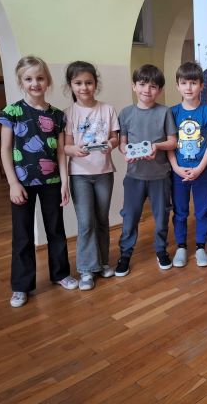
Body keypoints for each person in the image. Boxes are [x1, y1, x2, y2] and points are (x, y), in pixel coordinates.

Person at [0, 55, 78, 308]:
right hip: (22, 184)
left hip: (51, 181)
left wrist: (64, 182)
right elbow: (5, 149)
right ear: (21, 82)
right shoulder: (12, 112)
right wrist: (13, 183)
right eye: (29, 79)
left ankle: (60, 274)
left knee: (56, 230)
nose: (35, 83)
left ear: (48, 81)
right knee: (22, 235)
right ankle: (21, 286)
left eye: (40, 78)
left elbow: (61, 152)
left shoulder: (57, 115)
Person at [114, 64, 177, 276]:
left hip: (160, 176)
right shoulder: (126, 113)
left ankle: (161, 250)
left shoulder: (165, 112)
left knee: (161, 217)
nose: (147, 90)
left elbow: (172, 142)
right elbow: (122, 143)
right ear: (134, 86)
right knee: (130, 217)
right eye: (142, 85)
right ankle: (125, 254)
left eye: (153, 86)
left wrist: (156, 146)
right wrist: (128, 151)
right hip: (134, 175)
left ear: (159, 90)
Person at [63, 61, 119, 290]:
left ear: (96, 84)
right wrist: (74, 150)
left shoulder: (107, 109)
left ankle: (103, 262)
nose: (84, 87)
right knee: (86, 222)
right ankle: (86, 269)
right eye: (78, 83)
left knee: (102, 219)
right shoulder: (68, 114)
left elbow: (115, 138)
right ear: (71, 85)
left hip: (104, 173)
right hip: (79, 175)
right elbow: (65, 147)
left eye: (88, 82)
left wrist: (111, 144)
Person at [168, 62, 207, 267]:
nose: (188, 87)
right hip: (178, 172)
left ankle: (200, 247)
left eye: (193, 83)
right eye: (184, 83)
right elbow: (170, 144)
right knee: (180, 211)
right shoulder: (172, 112)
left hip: (202, 172)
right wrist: (176, 168)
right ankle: (181, 246)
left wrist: (199, 168)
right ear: (177, 86)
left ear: (201, 85)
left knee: (202, 211)